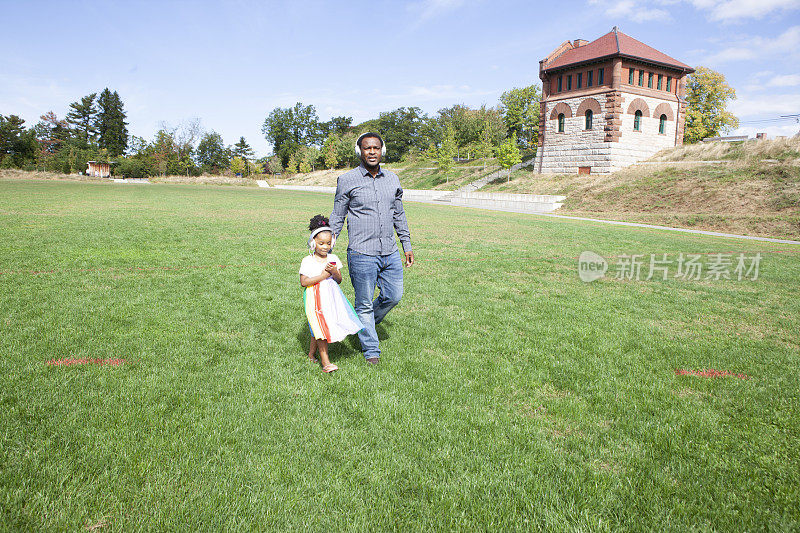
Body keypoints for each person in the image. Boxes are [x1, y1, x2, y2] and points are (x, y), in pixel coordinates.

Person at [329, 132, 414, 365]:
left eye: (376, 148)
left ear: (382, 150)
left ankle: (362, 324)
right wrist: (327, 244)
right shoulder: (347, 180)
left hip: (390, 251)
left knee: (394, 296)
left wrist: (406, 244)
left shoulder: (393, 179)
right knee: (364, 303)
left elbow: (399, 214)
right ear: (359, 152)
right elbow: (338, 215)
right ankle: (371, 351)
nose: (372, 152)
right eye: (367, 148)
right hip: (361, 252)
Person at [299, 214, 364, 373]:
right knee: (321, 327)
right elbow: (303, 282)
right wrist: (322, 276)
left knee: (320, 326)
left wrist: (334, 271)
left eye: (328, 243)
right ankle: (326, 362)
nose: (325, 246)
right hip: (314, 298)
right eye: (321, 243)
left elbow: (339, 280)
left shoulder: (333, 258)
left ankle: (310, 354)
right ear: (313, 242)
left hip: (331, 298)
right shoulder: (307, 261)